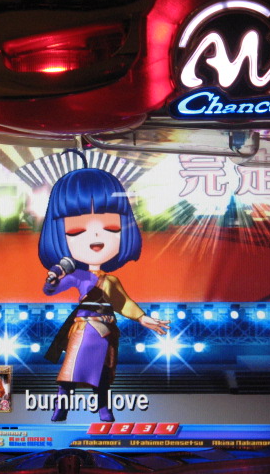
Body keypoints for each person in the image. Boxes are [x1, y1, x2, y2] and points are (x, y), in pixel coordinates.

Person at [38, 165, 169, 422]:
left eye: (111, 227)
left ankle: (104, 409)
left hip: (107, 331)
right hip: (84, 329)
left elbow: (124, 302)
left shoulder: (111, 280)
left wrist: (143, 318)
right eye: (77, 230)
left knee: (104, 375)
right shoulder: (78, 275)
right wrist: (53, 278)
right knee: (71, 372)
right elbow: (50, 289)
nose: (97, 234)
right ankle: (61, 407)